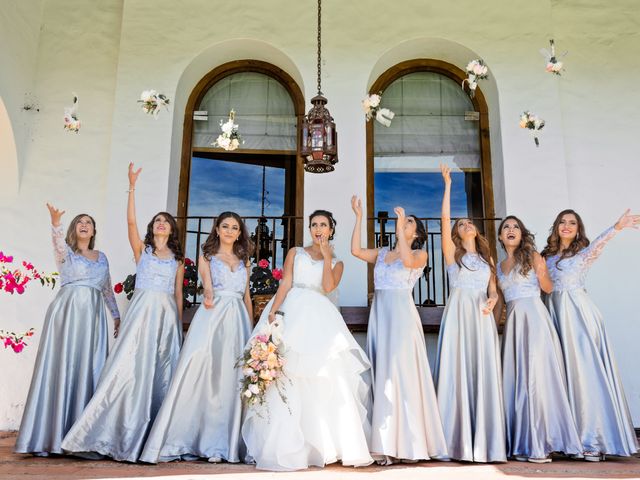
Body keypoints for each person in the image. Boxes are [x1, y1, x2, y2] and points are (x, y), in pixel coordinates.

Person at [61, 163, 184, 462]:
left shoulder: (178, 260)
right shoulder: (143, 250)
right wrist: (132, 187)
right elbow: (130, 223)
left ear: (172, 229)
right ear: (152, 227)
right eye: (157, 220)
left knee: (160, 373)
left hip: (166, 317)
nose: (161, 224)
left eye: (166, 221)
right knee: (128, 367)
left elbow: (178, 294)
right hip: (141, 314)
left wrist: (178, 326)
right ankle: (112, 431)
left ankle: (152, 438)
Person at [242, 209, 373, 471]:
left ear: (331, 230)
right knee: (286, 371)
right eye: (314, 224)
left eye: (323, 224)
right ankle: (284, 444)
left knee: (323, 374)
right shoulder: (295, 252)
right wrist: (274, 312)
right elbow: (286, 282)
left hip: (319, 316)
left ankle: (324, 445)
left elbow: (327, 287)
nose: (318, 228)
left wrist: (326, 257)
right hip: (292, 308)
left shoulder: (338, 263)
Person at [141, 212, 254, 464]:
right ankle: (203, 441)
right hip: (213, 317)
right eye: (225, 226)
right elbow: (207, 284)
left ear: (239, 233)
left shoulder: (245, 259)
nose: (229, 231)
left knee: (232, 378)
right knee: (206, 375)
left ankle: (228, 443)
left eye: (234, 227)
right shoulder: (208, 256)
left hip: (238, 320)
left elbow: (246, 296)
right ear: (216, 229)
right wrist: (210, 292)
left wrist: (252, 329)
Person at [15, 205, 120, 456]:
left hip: (93, 318)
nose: (84, 225)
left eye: (89, 222)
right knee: (62, 366)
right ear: (74, 229)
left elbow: (106, 288)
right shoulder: (66, 254)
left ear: (94, 230)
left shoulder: (102, 256)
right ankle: (51, 436)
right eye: (79, 222)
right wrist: (56, 224)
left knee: (89, 367)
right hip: (67, 313)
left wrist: (116, 316)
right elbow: (57, 244)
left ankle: (82, 435)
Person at [350, 196, 447, 464]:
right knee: (383, 373)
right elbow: (356, 251)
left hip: (402, 317)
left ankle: (410, 444)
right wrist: (358, 217)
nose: (404, 223)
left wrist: (399, 232)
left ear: (416, 233)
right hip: (381, 315)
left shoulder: (419, 254)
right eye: (404, 221)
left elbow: (406, 261)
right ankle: (385, 443)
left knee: (401, 374)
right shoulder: (382, 253)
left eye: (409, 222)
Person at [541, 209, 640, 461]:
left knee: (585, 375)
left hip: (578, 316)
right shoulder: (546, 256)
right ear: (556, 226)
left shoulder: (582, 253)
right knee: (562, 377)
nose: (566, 226)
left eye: (572, 223)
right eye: (562, 221)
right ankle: (569, 439)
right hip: (554, 317)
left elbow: (599, 245)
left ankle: (593, 440)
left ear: (578, 229)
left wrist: (616, 227)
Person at [433, 164, 506, 463]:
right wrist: (448, 185)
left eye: (469, 222)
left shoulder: (488, 256)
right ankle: (456, 439)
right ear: (456, 233)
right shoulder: (453, 255)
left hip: (481, 316)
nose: (466, 225)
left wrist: (492, 301)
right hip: (460, 314)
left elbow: (493, 289)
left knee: (482, 370)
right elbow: (444, 218)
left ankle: (486, 440)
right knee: (458, 368)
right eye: (461, 224)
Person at [496, 215, 581, 463]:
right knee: (518, 380)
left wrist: (543, 271)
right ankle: (523, 442)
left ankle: (541, 443)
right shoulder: (499, 266)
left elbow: (547, 288)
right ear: (501, 236)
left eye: (515, 227)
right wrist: (491, 327)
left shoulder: (532, 257)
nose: (511, 230)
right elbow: (501, 302)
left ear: (522, 235)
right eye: (506, 228)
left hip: (534, 318)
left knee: (536, 378)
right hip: (513, 323)